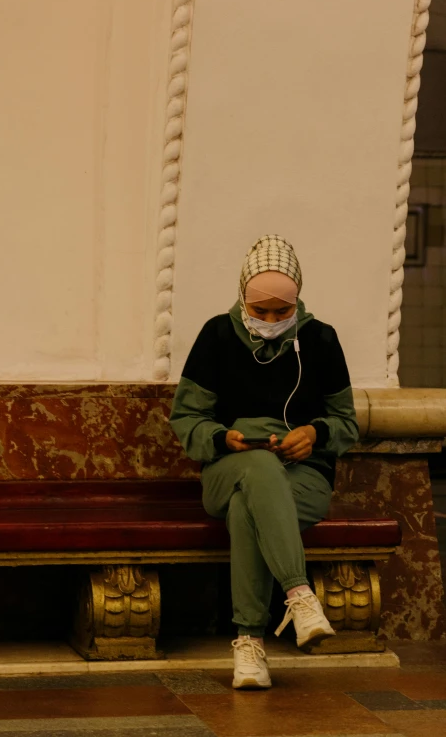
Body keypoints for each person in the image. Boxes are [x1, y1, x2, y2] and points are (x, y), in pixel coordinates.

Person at [169, 234, 359, 689]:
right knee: (256, 467)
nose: (271, 320)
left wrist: (315, 434)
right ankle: (298, 593)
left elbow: (345, 423)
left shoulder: (320, 340)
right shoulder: (217, 335)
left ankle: (249, 643)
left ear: (297, 300)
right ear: (242, 298)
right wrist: (222, 437)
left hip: (304, 479)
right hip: (227, 469)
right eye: (260, 311)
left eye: (282, 312)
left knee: (247, 508)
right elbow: (187, 418)